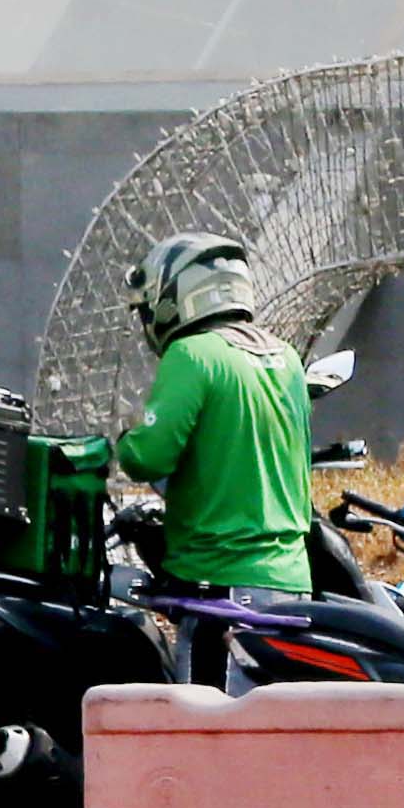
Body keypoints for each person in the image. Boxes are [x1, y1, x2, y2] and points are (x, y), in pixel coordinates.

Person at [113, 231, 312, 685]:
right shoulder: (285, 358)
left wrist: (126, 438)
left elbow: (147, 457)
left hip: (222, 588)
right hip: (292, 582)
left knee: (212, 740)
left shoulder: (193, 354)